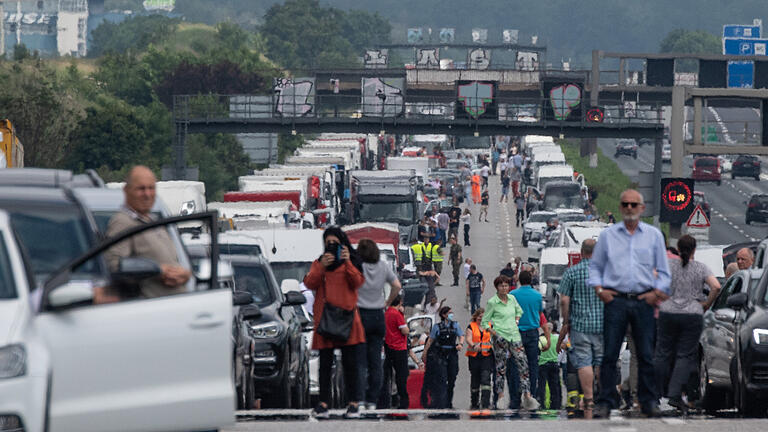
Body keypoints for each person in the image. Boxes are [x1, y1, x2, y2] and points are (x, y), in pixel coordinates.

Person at [589, 190, 671, 418]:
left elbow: (664, 271)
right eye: (625, 204)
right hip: (615, 300)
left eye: (634, 205)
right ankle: (605, 401)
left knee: (645, 354)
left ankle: (648, 400)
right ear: (620, 207)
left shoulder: (653, 236)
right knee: (609, 354)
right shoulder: (608, 236)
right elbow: (595, 266)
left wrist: (657, 293)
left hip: (644, 300)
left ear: (642, 208)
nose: (629, 208)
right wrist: (599, 290)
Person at [304, 226, 366, 419]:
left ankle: (353, 403)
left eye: (335, 243)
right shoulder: (319, 263)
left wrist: (347, 262)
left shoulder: (353, 262)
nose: (331, 247)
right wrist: (322, 265)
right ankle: (323, 403)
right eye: (328, 243)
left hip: (347, 319)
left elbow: (357, 282)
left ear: (343, 244)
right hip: (326, 319)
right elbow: (309, 283)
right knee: (325, 364)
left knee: (350, 364)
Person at [654, 235, 721, 413]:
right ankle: (675, 394)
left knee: (662, 353)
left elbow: (652, 280)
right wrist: (705, 304)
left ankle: (653, 393)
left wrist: (664, 298)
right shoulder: (700, 268)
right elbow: (716, 286)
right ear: (694, 250)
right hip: (692, 314)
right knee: (685, 355)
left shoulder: (669, 265)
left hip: (668, 313)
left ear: (678, 247)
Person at [105, 165, 191, 300]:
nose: (147, 194)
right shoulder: (123, 222)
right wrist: (156, 270)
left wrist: (185, 275)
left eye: (151, 188)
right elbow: (115, 265)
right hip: (150, 309)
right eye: (141, 189)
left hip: (175, 307)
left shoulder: (154, 222)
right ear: (126, 191)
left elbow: (171, 263)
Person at [356, 239, 403, 410]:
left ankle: (360, 398)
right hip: (378, 314)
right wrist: (387, 302)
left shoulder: (357, 268)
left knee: (360, 360)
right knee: (376, 360)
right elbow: (397, 285)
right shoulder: (383, 267)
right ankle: (372, 400)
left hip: (361, 314)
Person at [557, 239, 602, 416]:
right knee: (600, 360)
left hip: (580, 324)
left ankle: (589, 397)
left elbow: (563, 300)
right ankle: (600, 394)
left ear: (582, 252)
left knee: (584, 361)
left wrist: (566, 319)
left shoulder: (571, 272)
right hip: (601, 323)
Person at [482, 276, 540, 411]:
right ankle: (501, 396)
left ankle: (527, 395)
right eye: (502, 286)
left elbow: (519, 311)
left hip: (515, 335)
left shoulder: (512, 299)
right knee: (501, 368)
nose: (504, 288)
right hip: (500, 337)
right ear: (497, 287)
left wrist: (517, 320)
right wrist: (495, 333)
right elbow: (485, 323)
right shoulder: (493, 302)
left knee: (523, 365)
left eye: (506, 286)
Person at [510, 270, 548, 403]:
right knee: (532, 365)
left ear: (519, 280)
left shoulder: (512, 294)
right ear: (531, 280)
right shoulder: (537, 296)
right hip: (532, 332)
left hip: (517, 332)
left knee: (516, 364)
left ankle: (516, 395)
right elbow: (539, 312)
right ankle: (531, 394)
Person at [421, 306, 465, 409]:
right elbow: (430, 340)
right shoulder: (437, 327)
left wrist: (461, 344)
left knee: (452, 379)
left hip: (452, 354)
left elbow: (461, 336)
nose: (451, 314)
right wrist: (425, 353)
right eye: (449, 313)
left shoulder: (455, 325)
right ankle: (442, 402)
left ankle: (449, 402)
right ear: (444, 315)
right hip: (441, 355)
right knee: (442, 379)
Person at [383, 295, 413, 409]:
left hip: (388, 347)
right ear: (400, 302)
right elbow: (405, 331)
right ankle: (404, 401)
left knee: (388, 375)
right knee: (401, 376)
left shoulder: (386, 313)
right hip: (399, 348)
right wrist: (402, 315)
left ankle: (388, 400)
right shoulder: (397, 314)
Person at [466, 307, 494, 409]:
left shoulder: (490, 326)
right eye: (479, 317)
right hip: (474, 357)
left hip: (487, 357)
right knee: (475, 380)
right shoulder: (471, 326)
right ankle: (474, 402)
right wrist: (473, 345)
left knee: (486, 378)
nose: (481, 319)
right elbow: (468, 338)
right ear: (476, 317)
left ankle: (485, 403)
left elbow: (495, 337)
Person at [538, 322, 561, 410]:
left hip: (543, 364)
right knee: (554, 386)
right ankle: (555, 404)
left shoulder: (541, 339)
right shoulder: (557, 338)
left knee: (542, 386)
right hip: (554, 364)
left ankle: (541, 403)